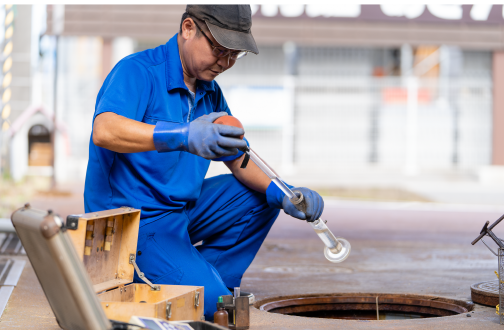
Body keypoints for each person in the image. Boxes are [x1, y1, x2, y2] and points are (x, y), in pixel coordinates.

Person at [84, 4, 324, 319]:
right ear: (187, 28)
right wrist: (181, 135)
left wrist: (286, 192)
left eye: (235, 54)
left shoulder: (210, 93)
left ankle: (200, 276)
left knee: (262, 195)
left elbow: (241, 159)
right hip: (130, 227)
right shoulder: (138, 72)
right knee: (216, 307)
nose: (225, 62)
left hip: (179, 213)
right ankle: (195, 286)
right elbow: (105, 130)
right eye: (219, 49)